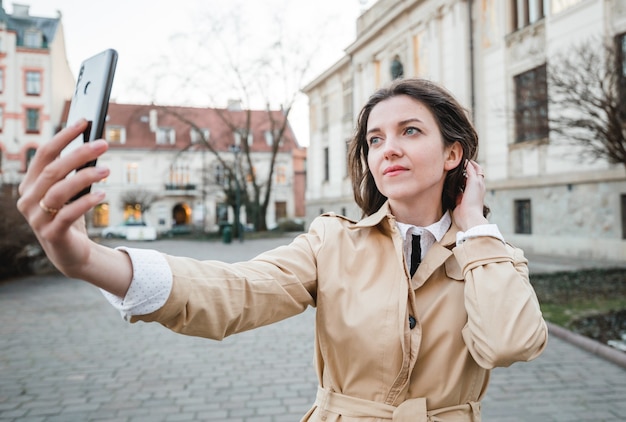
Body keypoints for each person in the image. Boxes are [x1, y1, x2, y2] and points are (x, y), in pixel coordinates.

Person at [18, 78, 548, 421]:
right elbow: (236, 292)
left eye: (409, 131)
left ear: (454, 152)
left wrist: (475, 225)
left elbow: (506, 344)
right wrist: (88, 260)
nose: (388, 149)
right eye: (375, 139)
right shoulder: (332, 241)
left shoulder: (488, 256)